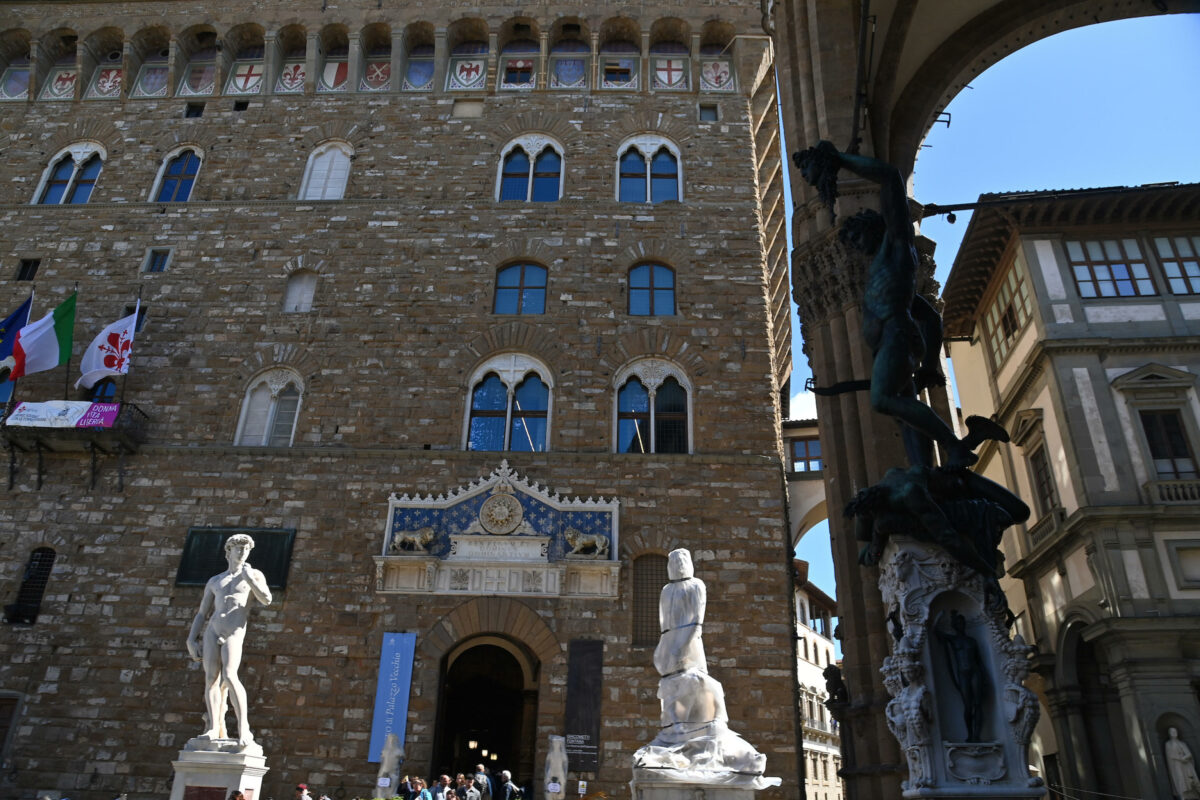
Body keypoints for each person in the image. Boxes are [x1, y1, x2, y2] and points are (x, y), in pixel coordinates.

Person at [793, 140, 1007, 469]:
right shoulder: (883, 266)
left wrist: (839, 160)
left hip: (896, 336)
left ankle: (955, 447)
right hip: (892, 343)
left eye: (858, 238)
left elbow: (892, 177)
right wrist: (929, 364)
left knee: (883, 400)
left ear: (874, 230)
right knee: (905, 418)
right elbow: (930, 317)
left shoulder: (897, 250)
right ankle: (930, 466)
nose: (856, 247)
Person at [186, 533, 272, 746]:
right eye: (238, 549)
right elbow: (201, 613)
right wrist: (191, 638)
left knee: (230, 675)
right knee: (211, 679)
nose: (242, 553)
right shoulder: (216, 580)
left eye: (246, 549)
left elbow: (267, 599)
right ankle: (215, 727)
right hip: (212, 630)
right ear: (229, 551)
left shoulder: (254, 575)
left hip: (234, 631)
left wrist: (250, 579)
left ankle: (244, 729)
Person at [934, 611, 986, 742]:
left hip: (975, 672)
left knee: (978, 704)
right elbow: (936, 632)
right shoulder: (953, 640)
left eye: (962, 622)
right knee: (968, 705)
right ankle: (970, 734)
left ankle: (977, 735)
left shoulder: (972, 641)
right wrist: (940, 617)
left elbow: (979, 661)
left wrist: (984, 677)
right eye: (958, 623)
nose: (961, 625)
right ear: (954, 625)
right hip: (963, 674)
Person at [1166, 727, 1200, 800]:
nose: (1175, 733)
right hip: (1177, 766)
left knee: (1192, 780)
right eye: (1173, 732)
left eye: (1176, 731)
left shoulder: (1182, 743)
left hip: (1186, 764)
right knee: (1181, 780)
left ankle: (1194, 794)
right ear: (1169, 733)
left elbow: (1189, 754)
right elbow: (1170, 756)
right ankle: (1184, 796)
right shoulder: (1168, 744)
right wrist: (1179, 759)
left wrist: (1184, 758)